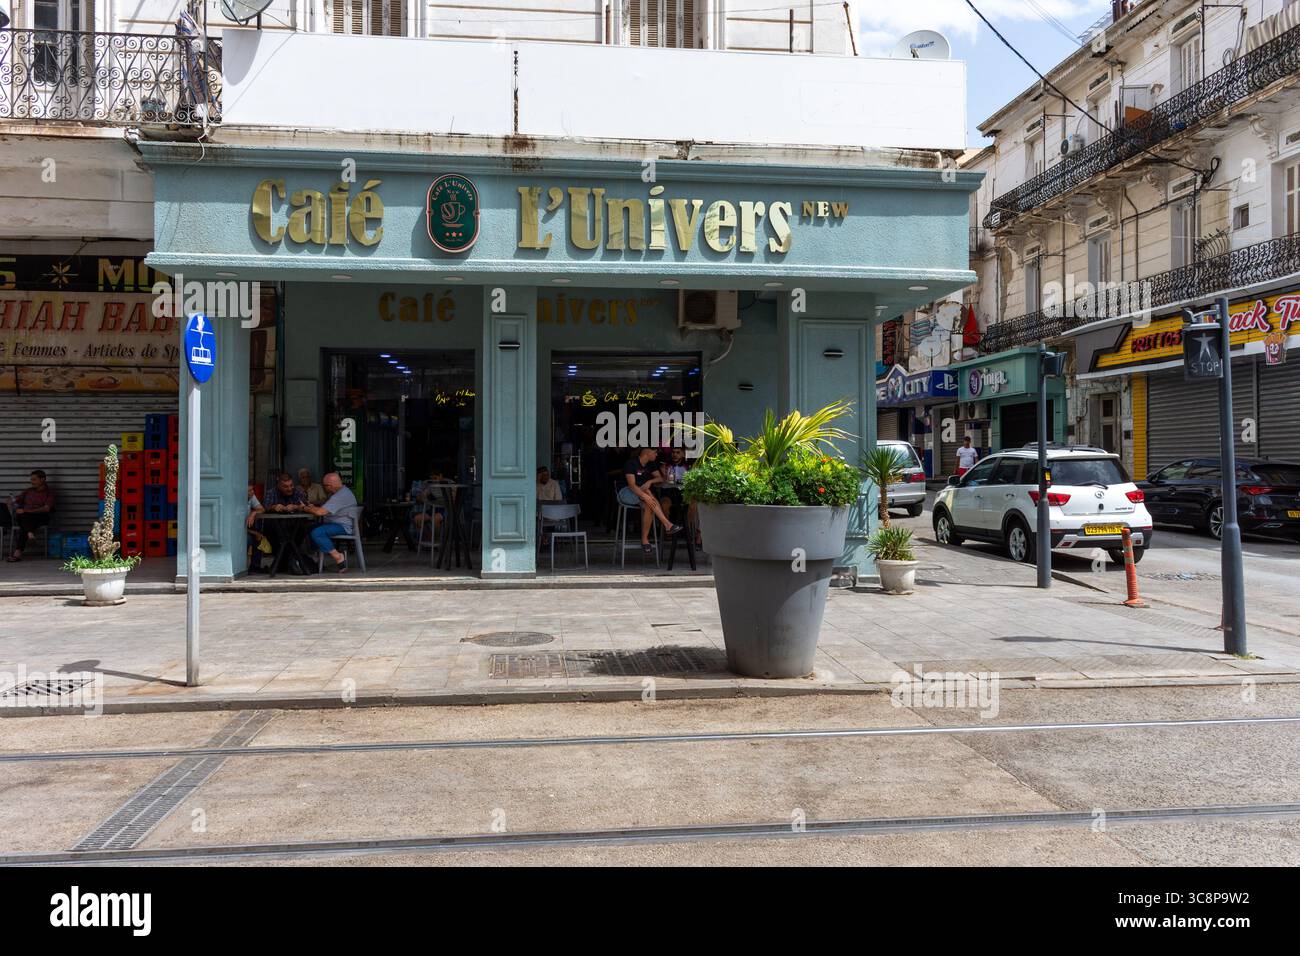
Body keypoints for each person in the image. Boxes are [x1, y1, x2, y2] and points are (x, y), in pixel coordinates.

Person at [620, 448, 683, 554]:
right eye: (655, 452)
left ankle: (645, 540)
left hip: (642, 491)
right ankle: (667, 524)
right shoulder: (631, 463)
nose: (656, 454)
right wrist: (645, 496)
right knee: (649, 495)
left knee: (649, 503)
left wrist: (650, 481)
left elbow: (660, 479)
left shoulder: (651, 464)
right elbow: (631, 485)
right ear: (647, 453)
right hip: (626, 492)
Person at [305, 472, 358, 572]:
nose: (325, 488)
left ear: (330, 485)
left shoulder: (340, 496)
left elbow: (320, 512)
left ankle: (338, 556)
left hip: (342, 526)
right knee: (309, 528)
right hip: (337, 523)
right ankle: (317, 558)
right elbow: (324, 509)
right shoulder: (342, 492)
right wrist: (313, 508)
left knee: (317, 532)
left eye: (325, 486)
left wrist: (305, 508)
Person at [6, 470, 56, 562]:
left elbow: (46, 508)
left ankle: (18, 553)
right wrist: (12, 501)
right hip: (26, 517)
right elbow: (17, 500)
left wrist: (26, 510)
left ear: (43, 479)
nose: (32, 482)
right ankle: (30, 534)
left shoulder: (49, 493)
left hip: (41, 517)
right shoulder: (28, 491)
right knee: (24, 517)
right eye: (31, 479)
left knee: (24, 521)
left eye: (34, 479)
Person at [246, 485, 272, 572]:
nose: (252, 492)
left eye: (252, 489)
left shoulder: (251, 497)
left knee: (259, 537)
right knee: (250, 539)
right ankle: (241, 567)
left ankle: (255, 566)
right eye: (250, 490)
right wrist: (255, 533)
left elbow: (261, 509)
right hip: (236, 532)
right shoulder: (235, 500)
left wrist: (253, 513)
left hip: (246, 528)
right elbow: (235, 526)